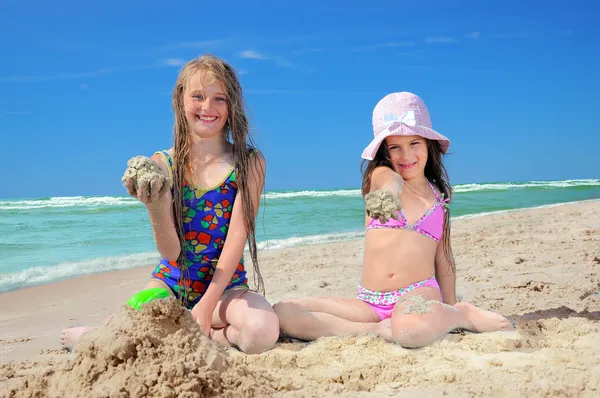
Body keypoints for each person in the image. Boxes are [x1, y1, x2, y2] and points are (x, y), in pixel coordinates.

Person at [61, 54, 280, 354]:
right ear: (180, 100)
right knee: (124, 329)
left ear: (232, 106)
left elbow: (235, 240)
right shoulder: (163, 164)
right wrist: (155, 205)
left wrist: (207, 304)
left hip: (227, 287)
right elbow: (171, 253)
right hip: (172, 284)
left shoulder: (249, 162)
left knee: (263, 333)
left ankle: (196, 328)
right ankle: (92, 335)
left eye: (219, 99)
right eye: (198, 96)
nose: (208, 107)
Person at [273, 92, 513, 348]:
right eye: (395, 147)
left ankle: (462, 314)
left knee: (410, 330)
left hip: (418, 293)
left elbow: (443, 257)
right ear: (385, 153)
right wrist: (390, 191)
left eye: (414, 143)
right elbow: (388, 180)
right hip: (370, 302)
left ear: (428, 144)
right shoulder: (380, 177)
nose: (405, 155)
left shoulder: (437, 197)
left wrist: (450, 304)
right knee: (284, 311)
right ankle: (377, 329)